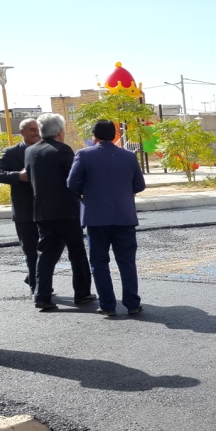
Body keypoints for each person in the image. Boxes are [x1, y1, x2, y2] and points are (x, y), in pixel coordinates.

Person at [66, 120, 146, 317]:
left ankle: (107, 305)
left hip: (96, 217)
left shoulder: (83, 155)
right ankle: (132, 303)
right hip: (125, 216)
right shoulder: (129, 156)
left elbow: (72, 183)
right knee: (127, 262)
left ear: (94, 136)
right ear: (115, 135)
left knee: (99, 262)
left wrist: (89, 193)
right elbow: (139, 185)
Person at [25, 113, 94, 311]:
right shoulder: (62, 150)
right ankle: (82, 293)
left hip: (42, 211)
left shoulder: (30, 151)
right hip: (66, 210)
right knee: (77, 252)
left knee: (46, 254)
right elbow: (74, 179)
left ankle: (42, 295)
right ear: (59, 132)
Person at [0, 118, 42, 294]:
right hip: (24, 211)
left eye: (38, 129)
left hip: (47, 209)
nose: (36, 133)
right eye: (32, 129)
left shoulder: (47, 149)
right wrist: (18, 176)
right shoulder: (12, 152)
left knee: (51, 249)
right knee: (31, 251)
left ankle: (33, 276)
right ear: (22, 132)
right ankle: (37, 290)